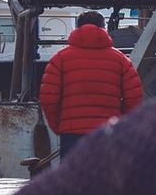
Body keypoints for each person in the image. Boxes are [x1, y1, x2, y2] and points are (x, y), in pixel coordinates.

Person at [39, 11, 143, 158]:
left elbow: (48, 99)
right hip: (108, 133)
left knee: (73, 179)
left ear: (77, 28)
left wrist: (60, 126)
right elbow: (134, 98)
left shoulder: (59, 59)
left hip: (71, 134)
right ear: (103, 28)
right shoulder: (121, 60)